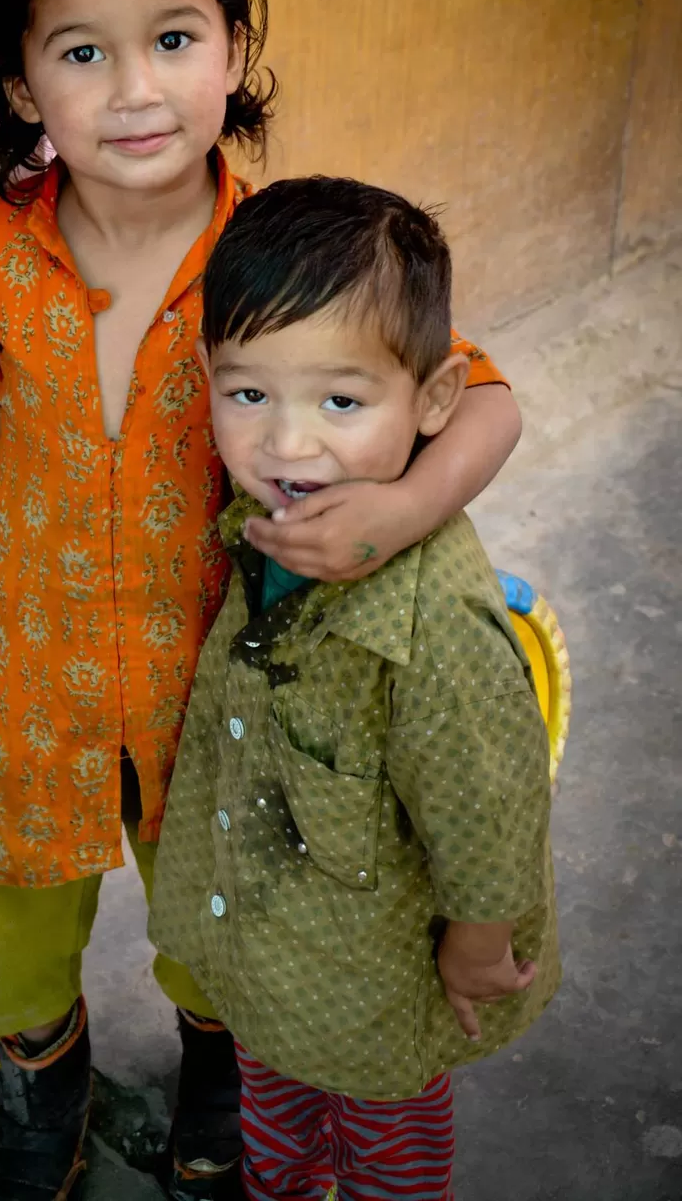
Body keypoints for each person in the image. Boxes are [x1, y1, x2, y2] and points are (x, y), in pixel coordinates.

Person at [0, 0, 523, 1201]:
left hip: (221, 688)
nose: (136, 91)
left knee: (226, 922)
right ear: (20, 78)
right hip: (31, 677)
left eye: (175, 38)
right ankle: (41, 1085)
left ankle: (222, 1064)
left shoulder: (288, 261)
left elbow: (481, 397)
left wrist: (396, 515)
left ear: (237, 42)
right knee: (6, 930)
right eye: (81, 52)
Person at [148, 176, 560, 1201]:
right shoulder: (251, 532)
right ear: (206, 376)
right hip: (271, 958)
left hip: (373, 988)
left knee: (387, 1162)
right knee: (277, 1141)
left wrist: (480, 940)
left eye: (341, 399)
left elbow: (490, 801)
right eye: (249, 394)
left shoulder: (430, 625)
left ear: (431, 398)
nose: (288, 446)